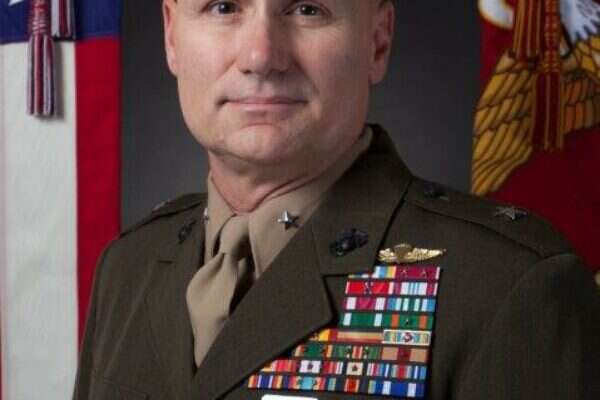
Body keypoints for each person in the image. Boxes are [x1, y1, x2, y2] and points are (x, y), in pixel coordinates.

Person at [73, 0, 600, 399]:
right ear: (172, 35)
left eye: (307, 9)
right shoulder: (129, 268)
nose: (260, 56)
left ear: (377, 41)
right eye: (224, 7)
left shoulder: (507, 287)